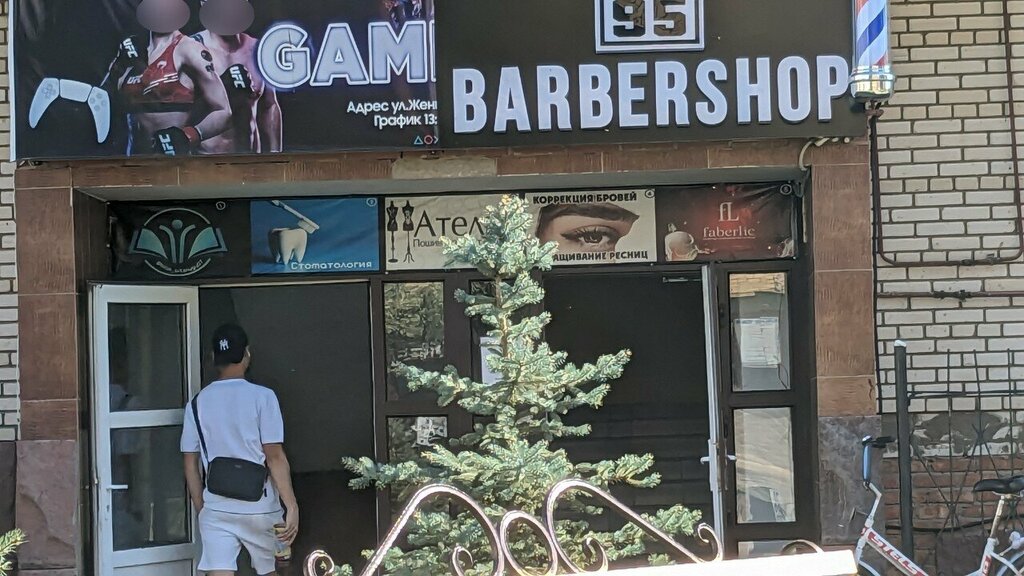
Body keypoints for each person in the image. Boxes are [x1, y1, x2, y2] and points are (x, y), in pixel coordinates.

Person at [181, 324, 299, 576]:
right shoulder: (263, 397)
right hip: (262, 508)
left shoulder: (196, 403)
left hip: (217, 507)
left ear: (214, 358)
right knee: (272, 570)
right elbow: (274, 456)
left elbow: (190, 464)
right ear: (247, 354)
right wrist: (291, 506)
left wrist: (204, 508)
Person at [102, 0, 232, 156]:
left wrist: (188, 136)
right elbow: (106, 97)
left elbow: (224, 112)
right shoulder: (132, 49)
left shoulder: (189, 50)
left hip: (174, 161)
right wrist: (118, 67)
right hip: (134, 159)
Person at [193, 0, 283, 153]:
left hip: (251, 161)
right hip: (207, 164)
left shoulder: (257, 49)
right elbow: (178, 116)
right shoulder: (189, 50)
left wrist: (277, 156)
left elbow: (269, 106)